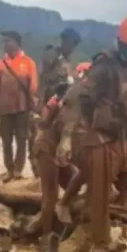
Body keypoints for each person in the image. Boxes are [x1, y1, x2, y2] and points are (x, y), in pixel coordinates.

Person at [57, 16, 127, 248]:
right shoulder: (103, 68)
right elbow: (82, 100)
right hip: (103, 140)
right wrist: (75, 136)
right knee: (99, 194)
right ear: (123, 45)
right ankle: (100, 243)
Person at [33, 61, 91, 235]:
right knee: (50, 196)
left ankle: (65, 216)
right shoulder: (64, 101)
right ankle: (46, 234)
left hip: (63, 153)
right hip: (48, 149)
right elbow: (49, 124)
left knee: (78, 181)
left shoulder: (87, 104)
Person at [33, 28, 82, 178]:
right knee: (44, 136)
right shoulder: (52, 55)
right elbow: (43, 78)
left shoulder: (68, 61)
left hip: (63, 103)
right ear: (64, 41)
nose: (72, 48)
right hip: (50, 101)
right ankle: (39, 169)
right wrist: (39, 100)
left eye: (74, 45)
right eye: (70, 44)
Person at [0, 30, 39, 181]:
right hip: (4, 109)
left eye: (8, 41)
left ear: (17, 44)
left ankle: (18, 169)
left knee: (21, 139)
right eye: (4, 41)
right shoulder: (0, 64)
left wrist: (32, 108)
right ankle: (9, 169)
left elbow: (33, 87)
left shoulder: (28, 63)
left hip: (22, 108)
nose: (5, 44)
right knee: (6, 141)